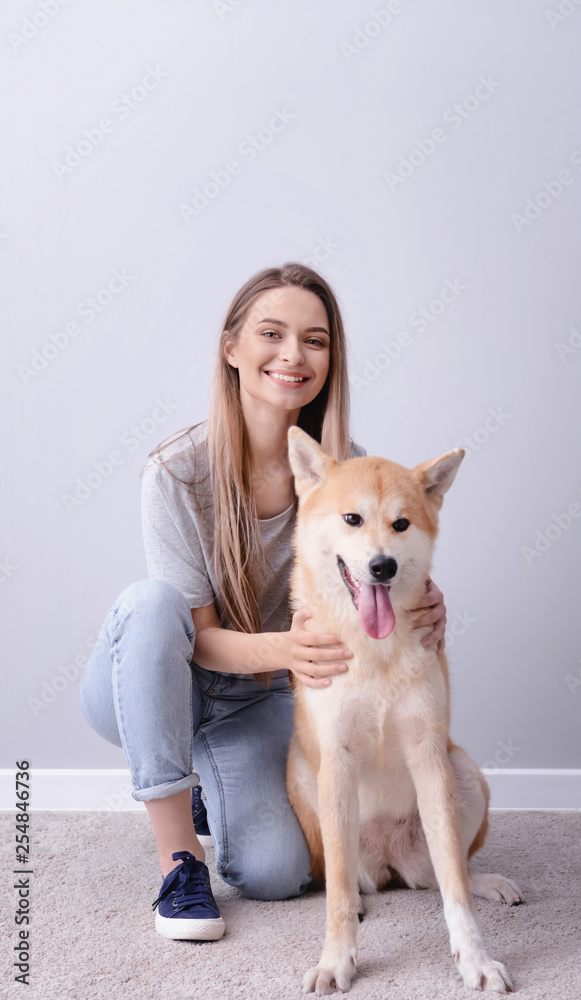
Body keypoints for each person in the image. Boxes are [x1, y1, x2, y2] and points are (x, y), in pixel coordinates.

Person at [78, 262, 447, 941]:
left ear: (330, 359)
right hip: (161, 677)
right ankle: (179, 858)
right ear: (232, 350)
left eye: (315, 339)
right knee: (154, 603)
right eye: (271, 334)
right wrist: (291, 648)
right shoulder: (175, 472)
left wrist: (416, 597)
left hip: (261, 697)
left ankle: (208, 789)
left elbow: (381, 560)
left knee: (278, 872)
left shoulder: (346, 471)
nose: (292, 355)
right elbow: (198, 635)